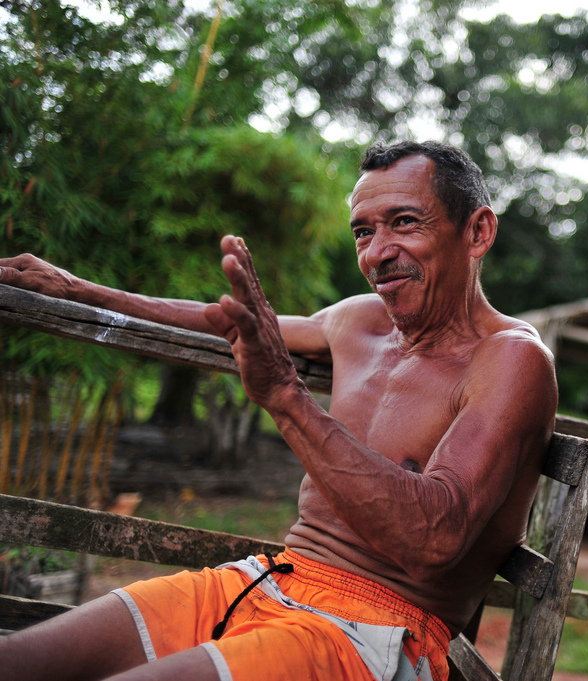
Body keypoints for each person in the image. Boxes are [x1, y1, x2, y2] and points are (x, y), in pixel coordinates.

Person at [0, 141, 558, 681]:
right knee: (20, 658)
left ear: (477, 232)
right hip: (269, 581)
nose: (378, 253)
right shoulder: (361, 320)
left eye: (405, 222)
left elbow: (432, 541)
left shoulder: (510, 359)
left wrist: (285, 396)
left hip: (377, 632)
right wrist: (78, 290)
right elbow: (219, 319)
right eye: (364, 231)